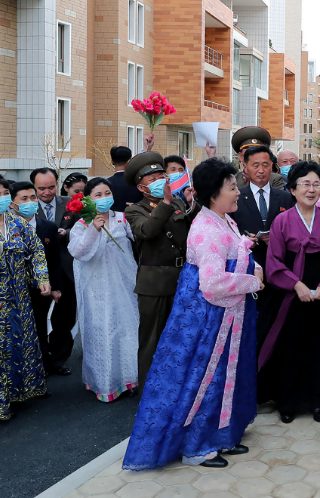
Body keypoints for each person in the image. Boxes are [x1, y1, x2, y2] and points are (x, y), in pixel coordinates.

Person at [123, 158, 261, 470]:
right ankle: (196, 446)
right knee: (204, 379)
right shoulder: (206, 229)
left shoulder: (222, 219)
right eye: (231, 187)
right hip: (208, 319)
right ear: (213, 194)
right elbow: (212, 284)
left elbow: (234, 255)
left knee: (223, 376)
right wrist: (253, 281)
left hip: (226, 316)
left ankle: (219, 434)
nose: (237, 192)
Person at [261, 161, 320, 424]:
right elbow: (273, 261)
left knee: (319, 346)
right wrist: (296, 285)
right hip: (290, 293)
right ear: (293, 189)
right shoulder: (282, 220)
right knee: (290, 345)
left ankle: (318, 400)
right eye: (305, 184)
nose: (311, 189)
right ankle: (288, 401)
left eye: (316, 184)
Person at [0, 174, 51, 421]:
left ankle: (22, 391)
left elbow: (36, 250)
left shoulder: (18, 223)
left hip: (20, 297)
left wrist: (41, 278)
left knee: (22, 345)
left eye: (5, 193)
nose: (3, 198)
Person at [125, 152, 200, 390]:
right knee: (152, 341)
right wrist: (166, 204)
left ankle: (178, 388)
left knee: (183, 337)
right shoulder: (135, 210)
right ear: (141, 186)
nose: (160, 180)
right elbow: (146, 231)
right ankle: (150, 391)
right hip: (154, 283)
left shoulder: (179, 202)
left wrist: (192, 204)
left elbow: (193, 233)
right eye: (153, 178)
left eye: (162, 175)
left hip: (182, 279)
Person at [69, 177, 139, 401]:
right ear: (88, 199)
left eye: (107, 193)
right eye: (98, 195)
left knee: (129, 329)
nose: (104, 198)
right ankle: (105, 383)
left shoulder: (123, 218)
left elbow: (139, 240)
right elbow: (78, 252)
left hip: (126, 284)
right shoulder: (82, 224)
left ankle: (131, 378)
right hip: (97, 290)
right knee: (103, 331)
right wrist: (94, 230)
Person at [231, 143, 294, 358]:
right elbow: (230, 232)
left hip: (279, 267)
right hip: (249, 269)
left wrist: (277, 239)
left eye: (265, 165)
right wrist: (245, 240)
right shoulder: (237, 197)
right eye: (255, 165)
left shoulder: (285, 197)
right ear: (245, 168)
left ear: (273, 168)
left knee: (279, 323)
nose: (260, 170)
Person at [10, 181, 63, 373]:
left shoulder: (48, 226)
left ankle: (42, 370)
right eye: (23, 198)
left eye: (32, 197)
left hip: (42, 289)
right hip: (14, 289)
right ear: (12, 203)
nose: (30, 202)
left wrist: (56, 286)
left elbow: (55, 260)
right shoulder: (6, 228)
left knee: (40, 328)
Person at [30, 167, 77, 376]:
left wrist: (66, 233)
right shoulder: (25, 206)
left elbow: (81, 229)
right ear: (34, 187)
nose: (47, 192)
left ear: (58, 184)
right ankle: (40, 360)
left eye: (51, 187)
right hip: (36, 272)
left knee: (64, 319)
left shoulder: (71, 204)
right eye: (41, 188)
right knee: (36, 319)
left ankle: (59, 360)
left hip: (66, 270)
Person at [108, 146, 143, 212]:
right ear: (129, 161)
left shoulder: (106, 183)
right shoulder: (138, 182)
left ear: (112, 161)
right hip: (136, 219)